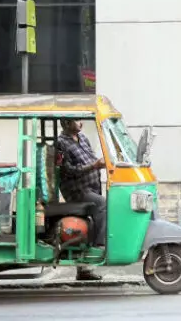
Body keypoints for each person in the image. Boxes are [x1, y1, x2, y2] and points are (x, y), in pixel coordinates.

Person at [56, 118, 107, 281]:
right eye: (76, 120)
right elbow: (68, 170)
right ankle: (99, 247)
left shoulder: (83, 138)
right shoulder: (60, 143)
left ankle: (83, 269)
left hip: (92, 186)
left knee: (92, 220)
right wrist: (94, 166)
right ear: (66, 123)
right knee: (102, 204)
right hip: (76, 190)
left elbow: (92, 158)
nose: (80, 123)